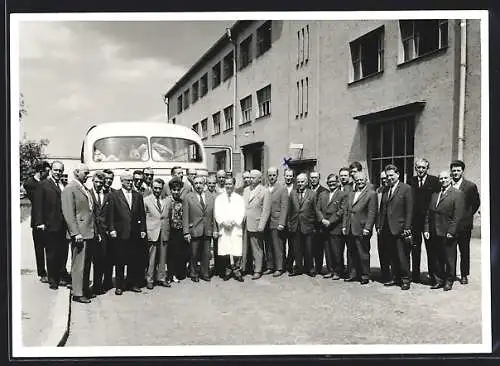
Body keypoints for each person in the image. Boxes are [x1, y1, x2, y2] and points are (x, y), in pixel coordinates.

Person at [107, 171, 147, 295]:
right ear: (122, 181)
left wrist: (142, 230)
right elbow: (111, 215)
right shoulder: (115, 195)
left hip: (134, 233)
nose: (130, 183)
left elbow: (142, 215)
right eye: (127, 180)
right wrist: (112, 229)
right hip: (120, 233)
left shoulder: (137, 195)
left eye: (131, 180)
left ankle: (132, 283)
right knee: (120, 260)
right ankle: (119, 285)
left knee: (133, 260)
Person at [424, 171, 465, 291]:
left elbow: (457, 216)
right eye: (441, 178)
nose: (443, 180)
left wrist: (451, 231)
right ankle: (439, 280)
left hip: (448, 232)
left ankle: (449, 280)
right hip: (434, 231)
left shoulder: (458, 194)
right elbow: (428, 213)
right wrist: (426, 229)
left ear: (450, 178)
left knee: (449, 258)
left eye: (445, 178)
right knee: (436, 257)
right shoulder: (435, 194)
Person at [61, 164, 96, 303]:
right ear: (76, 172)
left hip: (88, 232)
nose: (87, 175)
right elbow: (69, 213)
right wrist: (75, 233)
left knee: (86, 264)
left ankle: (84, 289)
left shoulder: (83, 188)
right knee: (78, 264)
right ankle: (77, 292)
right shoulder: (70, 189)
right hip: (80, 233)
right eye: (85, 173)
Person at [33, 161, 70, 290]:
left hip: (64, 226)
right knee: (52, 253)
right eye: (56, 170)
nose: (58, 173)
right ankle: (52, 279)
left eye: (60, 170)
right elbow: (38, 205)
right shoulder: (43, 185)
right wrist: (40, 222)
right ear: (51, 170)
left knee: (63, 252)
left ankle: (61, 275)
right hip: (50, 225)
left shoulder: (64, 185)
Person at [376, 164, 413, 291]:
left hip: (400, 227)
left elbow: (409, 210)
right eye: (388, 176)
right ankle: (395, 277)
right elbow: (382, 210)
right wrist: (380, 226)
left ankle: (405, 279)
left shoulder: (406, 188)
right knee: (392, 255)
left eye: (392, 175)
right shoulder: (386, 189)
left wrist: (407, 226)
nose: (390, 178)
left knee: (402, 255)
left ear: (398, 174)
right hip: (387, 229)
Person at [342, 172, 378, 285]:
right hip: (350, 227)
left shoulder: (371, 194)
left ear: (366, 180)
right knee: (351, 252)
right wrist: (344, 225)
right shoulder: (351, 194)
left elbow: (372, 212)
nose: (359, 182)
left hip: (362, 228)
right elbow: (346, 212)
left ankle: (364, 275)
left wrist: (368, 227)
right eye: (357, 180)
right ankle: (352, 274)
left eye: (362, 180)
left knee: (363, 252)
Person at [409, 158, 441, 284]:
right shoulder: (411, 181)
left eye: (423, 167)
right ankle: (415, 276)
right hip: (415, 221)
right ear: (416, 168)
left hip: (429, 221)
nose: (420, 170)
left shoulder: (434, 181)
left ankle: (433, 276)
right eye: (418, 167)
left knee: (431, 250)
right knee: (415, 249)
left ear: (427, 168)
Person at [450, 160, 480, 284]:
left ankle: (464, 275)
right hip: (450, 224)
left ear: (462, 171)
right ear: (451, 172)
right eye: (454, 170)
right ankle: (450, 274)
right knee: (450, 251)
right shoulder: (447, 184)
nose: (456, 173)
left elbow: (476, 203)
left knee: (464, 250)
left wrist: (467, 215)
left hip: (464, 225)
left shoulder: (470, 186)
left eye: (458, 170)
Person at [183, 176, 216, 282]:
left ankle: (205, 273)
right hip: (194, 229)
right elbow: (185, 216)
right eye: (196, 183)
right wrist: (186, 232)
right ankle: (193, 273)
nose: (198, 185)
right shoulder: (188, 197)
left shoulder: (210, 196)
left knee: (206, 253)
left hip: (207, 229)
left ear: (204, 184)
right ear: (193, 184)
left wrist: (215, 229)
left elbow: (214, 215)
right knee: (194, 253)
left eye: (200, 183)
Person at [23, 160, 51, 283]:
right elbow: (38, 200)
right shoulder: (30, 184)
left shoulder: (45, 182)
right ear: (41, 171)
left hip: (49, 220)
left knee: (50, 247)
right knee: (39, 248)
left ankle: (52, 271)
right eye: (47, 171)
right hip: (37, 220)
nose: (48, 174)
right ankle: (42, 273)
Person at [317, 173, 348, 280]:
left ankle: (338, 271)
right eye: (329, 182)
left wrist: (330, 221)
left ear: (338, 182)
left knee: (337, 250)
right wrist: (322, 220)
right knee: (328, 250)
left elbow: (342, 210)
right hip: (324, 226)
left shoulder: (342, 194)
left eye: (333, 182)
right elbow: (317, 209)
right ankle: (330, 270)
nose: (331, 184)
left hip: (335, 227)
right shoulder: (322, 194)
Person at [241, 170, 271, 280]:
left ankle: (258, 269)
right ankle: (246, 267)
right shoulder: (246, 190)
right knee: (245, 247)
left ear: (259, 179)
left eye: (253, 177)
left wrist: (262, 225)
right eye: (249, 177)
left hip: (257, 223)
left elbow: (266, 210)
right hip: (245, 223)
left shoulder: (265, 191)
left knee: (257, 248)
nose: (250, 179)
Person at [214, 176, 245, 282]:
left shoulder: (239, 198)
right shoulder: (219, 198)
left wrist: (233, 222)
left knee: (236, 249)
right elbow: (217, 212)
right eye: (226, 184)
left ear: (234, 185)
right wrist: (223, 222)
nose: (228, 186)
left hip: (235, 227)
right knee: (225, 249)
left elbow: (241, 212)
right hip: (224, 227)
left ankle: (236, 270)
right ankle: (228, 270)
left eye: (230, 183)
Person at [287, 173, 319, 277]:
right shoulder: (292, 193)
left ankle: (310, 268)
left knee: (309, 249)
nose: (300, 184)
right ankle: (298, 268)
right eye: (298, 182)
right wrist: (289, 224)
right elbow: (289, 210)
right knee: (297, 249)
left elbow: (315, 210)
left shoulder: (312, 194)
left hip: (308, 225)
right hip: (295, 225)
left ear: (306, 182)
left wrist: (313, 224)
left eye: (302, 181)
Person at [143, 178, 171, 289]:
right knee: (152, 257)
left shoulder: (168, 200)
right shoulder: (146, 200)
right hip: (152, 231)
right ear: (152, 187)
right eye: (155, 188)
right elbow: (144, 216)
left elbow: (169, 215)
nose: (157, 190)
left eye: (160, 188)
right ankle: (150, 279)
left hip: (164, 230)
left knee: (163, 256)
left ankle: (162, 278)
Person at [264, 167, 289, 277]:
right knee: (268, 245)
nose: (272, 177)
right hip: (266, 222)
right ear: (267, 176)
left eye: (274, 175)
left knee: (278, 245)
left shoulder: (282, 189)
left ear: (277, 176)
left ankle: (279, 267)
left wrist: (282, 223)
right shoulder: (265, 188)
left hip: (277, 221)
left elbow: (284, 207)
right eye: (270, 175)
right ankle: (270, 266)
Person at [87, 171, 108, 296]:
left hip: (104, 233)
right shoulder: (88, 194)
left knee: (101, 260)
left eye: (101, 182)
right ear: (93, 181)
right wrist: (95, 231)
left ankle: (98, 285)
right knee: (90, 260)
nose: (99, 184)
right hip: (92, 231)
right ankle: (86, 286)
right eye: (96, 182)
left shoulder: (107, 195)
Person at [167, 177, 188, 283]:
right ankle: (169, 275)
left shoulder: (182, 202)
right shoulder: (167, 201)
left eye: (178, 190)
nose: (176, 192)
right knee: (170, 254)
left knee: (178, 253)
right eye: (174, 190)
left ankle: (176, 273)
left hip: (178, 230)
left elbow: (184, 216)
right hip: (169, 231)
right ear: (170, 190)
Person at [309, 171, 328, 275]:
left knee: (319, 247)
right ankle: (310, 267)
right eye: (311, 178)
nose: (313, 179)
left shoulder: (324, 191)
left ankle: (318, 267)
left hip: (319, 224)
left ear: (319, 178)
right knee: (309, 247)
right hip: (308, 223)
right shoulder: (307, 189)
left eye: (315, 177)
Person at [101, 169, 116, 290]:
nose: (108, 181)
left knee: (111, 257)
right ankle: (98, 282)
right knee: (101, 258)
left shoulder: (115, 193)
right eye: (106, 178)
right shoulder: (98, 193)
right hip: (101, 231)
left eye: (110, 179)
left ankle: (108, 281)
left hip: (112, 231)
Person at [376, 170, 392, 283]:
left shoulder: (392, 190)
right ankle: (385, 274)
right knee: (382, 251)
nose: (384, 180)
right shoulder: (379, 191)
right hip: (381, 225)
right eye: (382, 178)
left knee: (393, 251)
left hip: (392, 225)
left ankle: (395, 274)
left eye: (385, 177)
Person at [283, 168, 296, 273]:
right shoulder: (281, 188)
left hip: (293, 221)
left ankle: (290, 265)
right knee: (281, 244)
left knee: (292, 245)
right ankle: (282, 265)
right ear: (284, 176)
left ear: (293, 177)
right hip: (282, 222)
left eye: (290, 176)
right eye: (287, 176)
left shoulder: (296, 188)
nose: (288, 178)